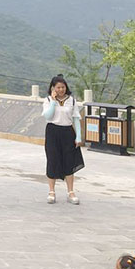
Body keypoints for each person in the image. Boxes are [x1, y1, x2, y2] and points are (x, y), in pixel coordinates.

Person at [43, 74, 84, 205]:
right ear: (53, 88)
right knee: (52, 159)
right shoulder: (48, 100)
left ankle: (71, 192)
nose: (61, 90)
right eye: (58, 87)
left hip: (67, 132)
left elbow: (76, 119)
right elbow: (48, 116)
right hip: (52, 131)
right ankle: (51, 191)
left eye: (63, 87)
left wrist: (78, 136)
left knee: (69, 161)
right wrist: (54, 103)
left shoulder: (71, 100)